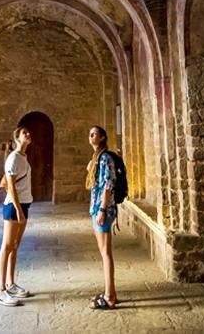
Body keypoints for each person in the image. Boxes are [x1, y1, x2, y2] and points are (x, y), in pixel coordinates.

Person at [0, 126, 33, 306]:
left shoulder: (24, 157)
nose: (28, 134)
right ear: (17, 138)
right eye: (25, 133)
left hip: (24, 204)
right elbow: (10, 186)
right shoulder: (13, 158)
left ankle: (10, 284)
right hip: (13, 206)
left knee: (15, 246)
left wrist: (23, 207)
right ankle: (0, 290)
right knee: (7, 246)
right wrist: (18, 210)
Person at [86, 125, 118, 310]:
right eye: (89, 134)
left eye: (94, 134)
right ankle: (110, 291)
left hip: (102, 209)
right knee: (103, 252)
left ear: (103, 137)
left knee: (106, 253)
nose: (90, 136)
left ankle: (110, 297)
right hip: (96, 208)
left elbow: (108, 185)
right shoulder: (97, 158)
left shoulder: (105, 158)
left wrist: (102, 209)